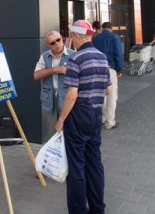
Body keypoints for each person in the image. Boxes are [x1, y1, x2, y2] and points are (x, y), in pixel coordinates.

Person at [55, 20, 112, 214]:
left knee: (77, 166)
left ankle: (78, 210)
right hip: (95, 114)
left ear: (77, 36)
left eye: (71, 35)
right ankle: (98, 209)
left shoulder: (76, 59)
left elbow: (72, 94)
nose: (70, 39)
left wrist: (61, 119)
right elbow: (109, 90)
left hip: (78, 115)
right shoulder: (102, 57)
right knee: (94, 163)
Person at [34, 30, 75, 143]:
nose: (57, 44)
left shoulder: (73, 55)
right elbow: (36, 75)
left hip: (67, 98)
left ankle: (68, 158)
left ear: (62, 38)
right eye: (53, 43)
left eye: (58, 40)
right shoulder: (45, 56)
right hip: (49, 99)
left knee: (69, 132)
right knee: (50, 134)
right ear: (48, 44)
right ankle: (51, 159)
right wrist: (55, 69)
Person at [93, 22, 124, 130]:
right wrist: (119, 69)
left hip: (97, 69)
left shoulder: (96, 38)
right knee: (112, 95)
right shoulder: (115, 37)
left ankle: (102, 118)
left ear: (102, 28)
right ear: (111, 28)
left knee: (101, 94)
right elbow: (119, 55)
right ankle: (110, 122)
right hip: (110, 68)